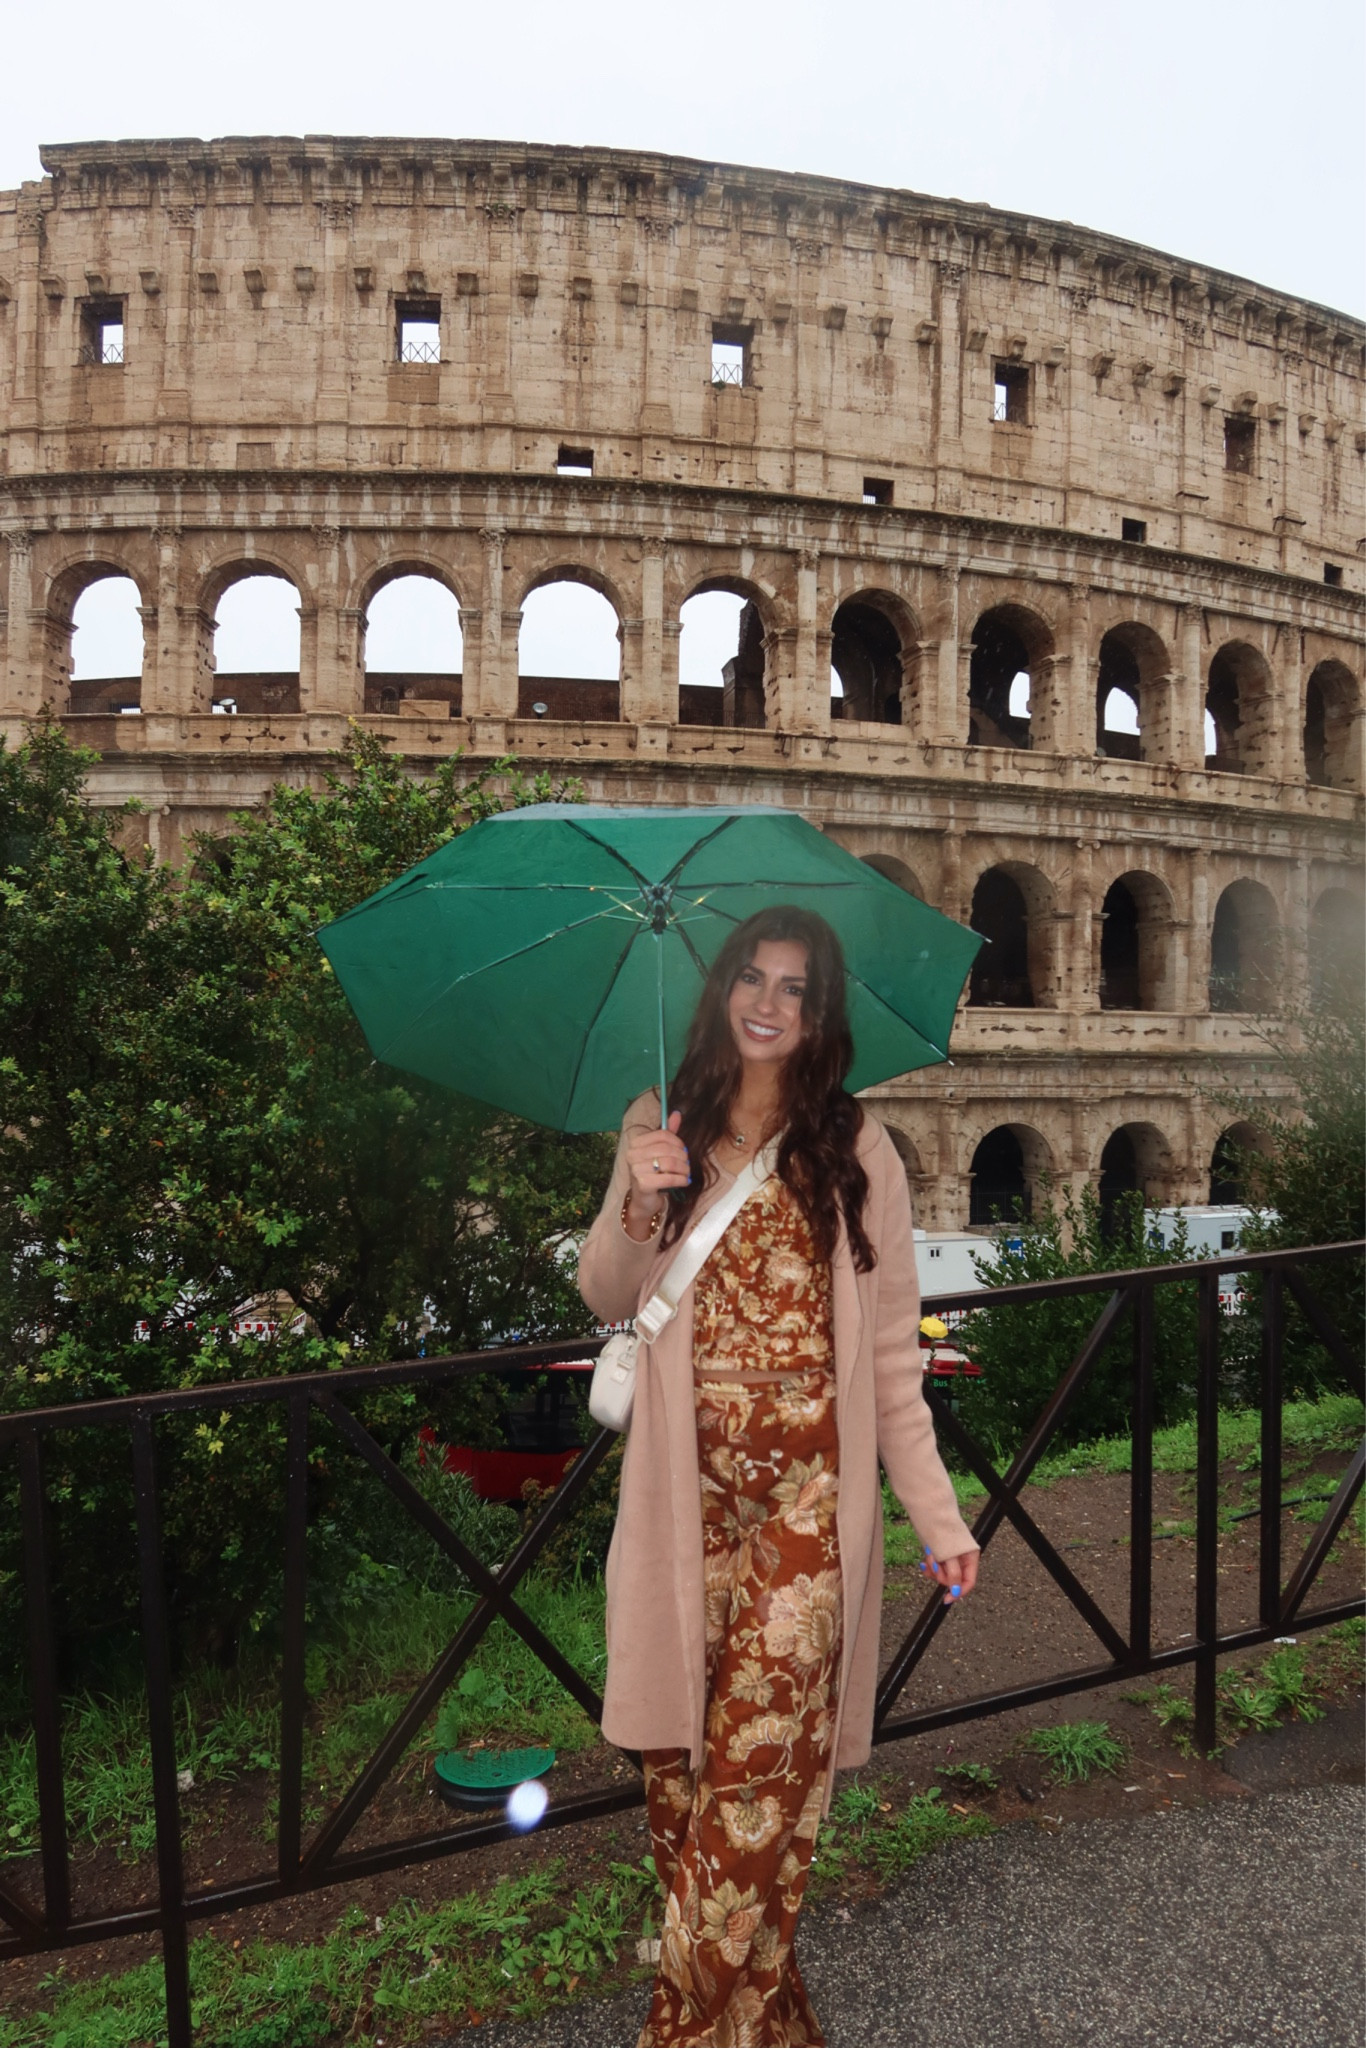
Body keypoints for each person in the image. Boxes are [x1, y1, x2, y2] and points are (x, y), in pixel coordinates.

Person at [578, 906, 979, 2048]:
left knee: (758, 1779)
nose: (766, 1001)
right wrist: (635, 1196)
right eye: (750, 978)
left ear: (818, 1013)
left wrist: (936, 1517)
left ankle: (678, 2031)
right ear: (718, 992)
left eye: (792, 988)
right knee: (678, 1780)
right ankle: (768, 2029)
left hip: (808, 1507)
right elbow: (607, 1294)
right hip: (680, 1501)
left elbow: (893, 1357)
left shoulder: (860, 1151)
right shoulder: (659, 1122)